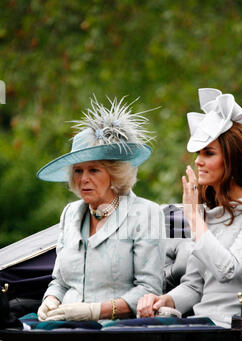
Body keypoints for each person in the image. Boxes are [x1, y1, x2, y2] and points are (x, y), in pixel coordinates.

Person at [137, 88, 242, 328]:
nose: (197, 160)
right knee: (119, 332)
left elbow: (228, 269)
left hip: (233, 329)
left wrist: (194, 216)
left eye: (208, 153)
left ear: (233, 160)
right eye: (198, 153)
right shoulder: (211, 213)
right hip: (200, 325)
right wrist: (165, 300)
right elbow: (194, 286)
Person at [36, 96, 165, 323]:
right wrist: (51, 300)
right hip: (62, 328)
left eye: (93, 170)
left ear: (114, 174)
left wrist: (96, 311)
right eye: (78, 171)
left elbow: (149, 288)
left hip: (115, 333)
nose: (84, 179)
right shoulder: (70, 214)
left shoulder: (146, 214)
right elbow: (60, 281)